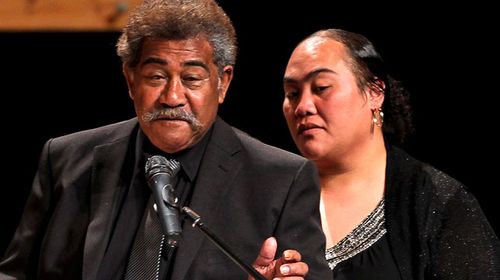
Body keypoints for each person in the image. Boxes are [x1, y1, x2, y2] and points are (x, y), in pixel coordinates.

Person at [0, 0, 331, 279]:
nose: (172, 97)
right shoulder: (64, 158)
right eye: (156, 76)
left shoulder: (282, 179)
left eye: (191, 78)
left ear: (223, 83)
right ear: (130, 80)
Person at [282, 28, 500, 279]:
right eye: (292, 94)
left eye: (321, 87)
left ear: (375, 92)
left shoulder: (440, 203)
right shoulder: (271, 198)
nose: (303, 107)